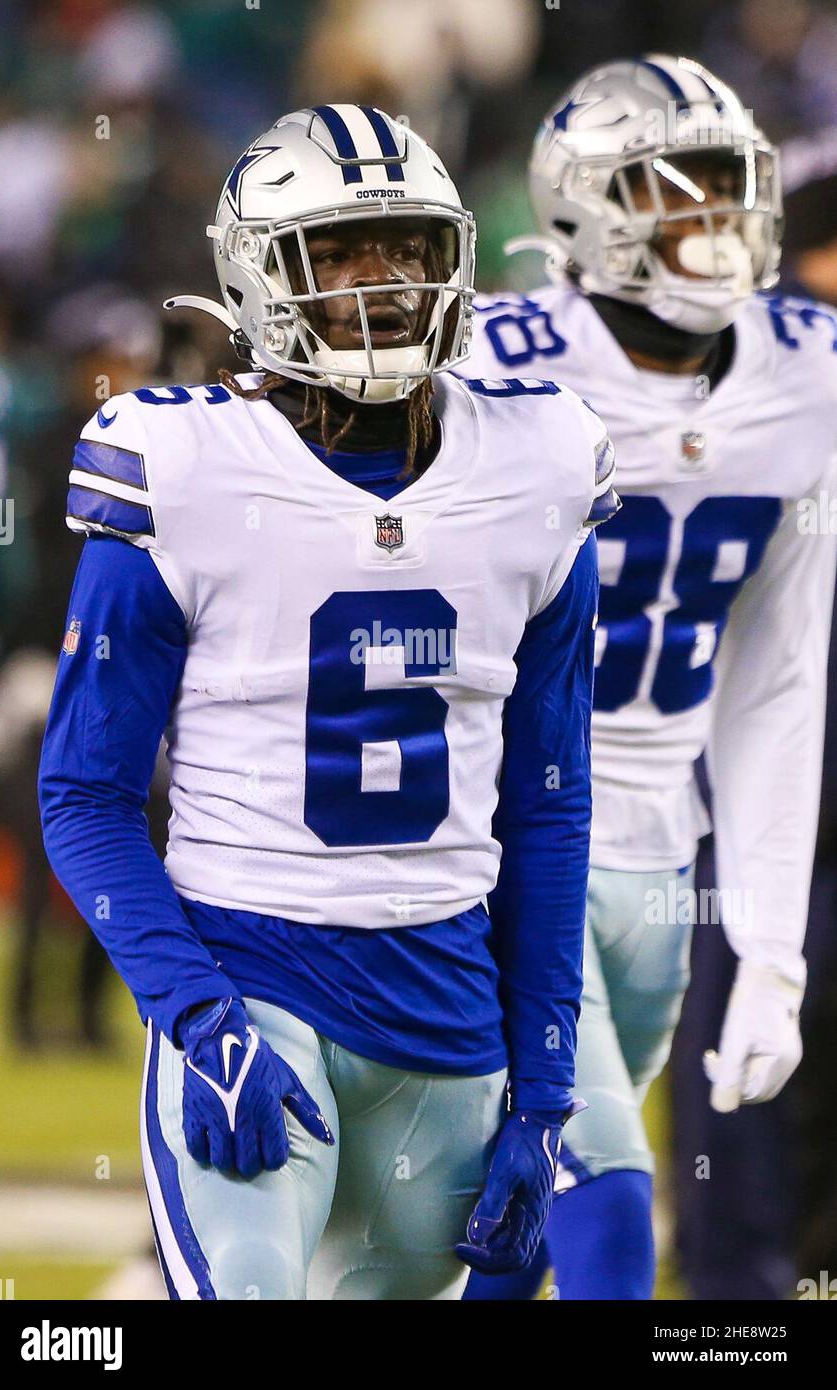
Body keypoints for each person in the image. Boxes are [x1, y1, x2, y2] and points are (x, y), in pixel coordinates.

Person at [38, 104, 617, 1300]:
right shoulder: (182, 468)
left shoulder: (539, 460)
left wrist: (546, 1088)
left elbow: (548, 809)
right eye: (340, 251)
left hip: (448, 1010)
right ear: (255, 273)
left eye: (405, 248)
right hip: (252, 980)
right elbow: (84, 794)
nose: (382, 282)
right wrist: (195, 1015)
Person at [463, 55, 837, 1301]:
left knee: (508, 1239)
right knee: (612, 1210)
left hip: (659, 846)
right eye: (674, 195)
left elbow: (774, 680)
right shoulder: (491, 363)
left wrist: (770, 947)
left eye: (727, 191)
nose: (712, 225)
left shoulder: (805, 372)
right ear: (587, 211)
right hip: (504, 833)